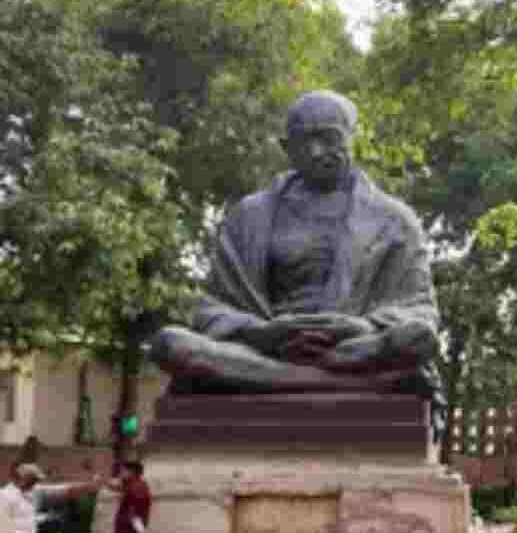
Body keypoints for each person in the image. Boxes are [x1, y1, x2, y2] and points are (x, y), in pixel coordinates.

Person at [145, 90, 440, 398]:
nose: (315, 152)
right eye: (302, 141)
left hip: (354, 350)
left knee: (417, 339)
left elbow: (418, 311)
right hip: (266, 350)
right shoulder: (248, 216)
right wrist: (262, 333)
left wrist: (359, 329)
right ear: (286, 147)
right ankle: (341, 385)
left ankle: (271, 382)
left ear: (353, 138)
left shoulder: (394, 219)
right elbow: (212, 309)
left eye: (329, 138)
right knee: (170, 343)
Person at [107, 461, 152, 533]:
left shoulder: (138, 487)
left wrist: (140, 531)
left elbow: (135, 513)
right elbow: (117, 487)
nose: (120, 474)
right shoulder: (134, 486)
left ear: (132, 472)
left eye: (123, 471)